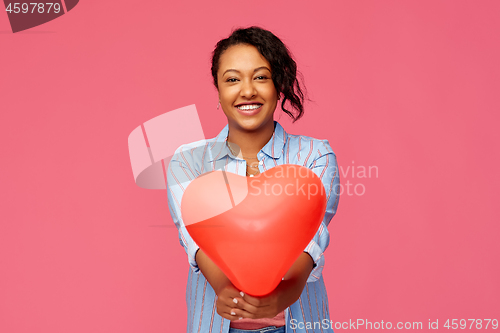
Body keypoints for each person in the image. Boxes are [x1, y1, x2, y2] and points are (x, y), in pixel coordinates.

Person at [167, 26, 340, 333]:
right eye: (232, 79)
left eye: (260, 77)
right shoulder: (188, 161)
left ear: (278, 85)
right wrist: (224, 291)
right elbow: (194, 238)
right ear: (218, 90)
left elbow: (312, 235)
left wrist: (286, 293)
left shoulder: (315, 155)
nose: (247, 91)